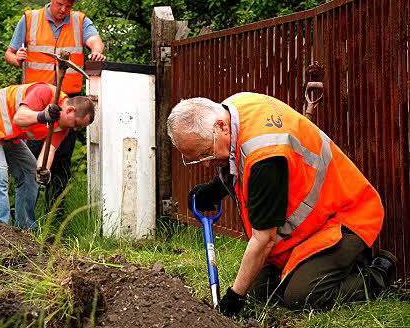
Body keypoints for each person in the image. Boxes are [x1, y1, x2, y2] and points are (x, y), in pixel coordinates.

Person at [166, 92, 397, 317]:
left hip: (345, 216)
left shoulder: (267, 156)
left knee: (300, 296)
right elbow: (242, 156)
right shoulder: (232, 109)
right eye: (200, 159)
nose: (206, 165)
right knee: (260, 293)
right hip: (307, 227)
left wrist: (235, 295)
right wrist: (217, 188)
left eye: (207, 153)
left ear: (221, 126)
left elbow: (264, 238)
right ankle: (327, 265)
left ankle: (374, 273)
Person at [5, 0, 105, 210]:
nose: (64, 10)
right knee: (29, 159)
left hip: (68, 107)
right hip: (34, 104)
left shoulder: (80, 21)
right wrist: (16, 58)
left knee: (60, 162)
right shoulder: (30, 19)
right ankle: (21, 212)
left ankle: (55, 215)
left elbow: (95, 41)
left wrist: (97, 52)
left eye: (69, 6)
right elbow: (9, 54)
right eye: (61, 3)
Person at [0, 82, 95, 231]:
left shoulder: (62, 127)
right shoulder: (45, 92)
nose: (75, 129)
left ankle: (25, 231)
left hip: (6, 134)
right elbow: (19, 118)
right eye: (76, 123)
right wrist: (42, 115)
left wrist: (42, 170)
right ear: (70, 110)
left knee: (31, 174)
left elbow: (49, 151)